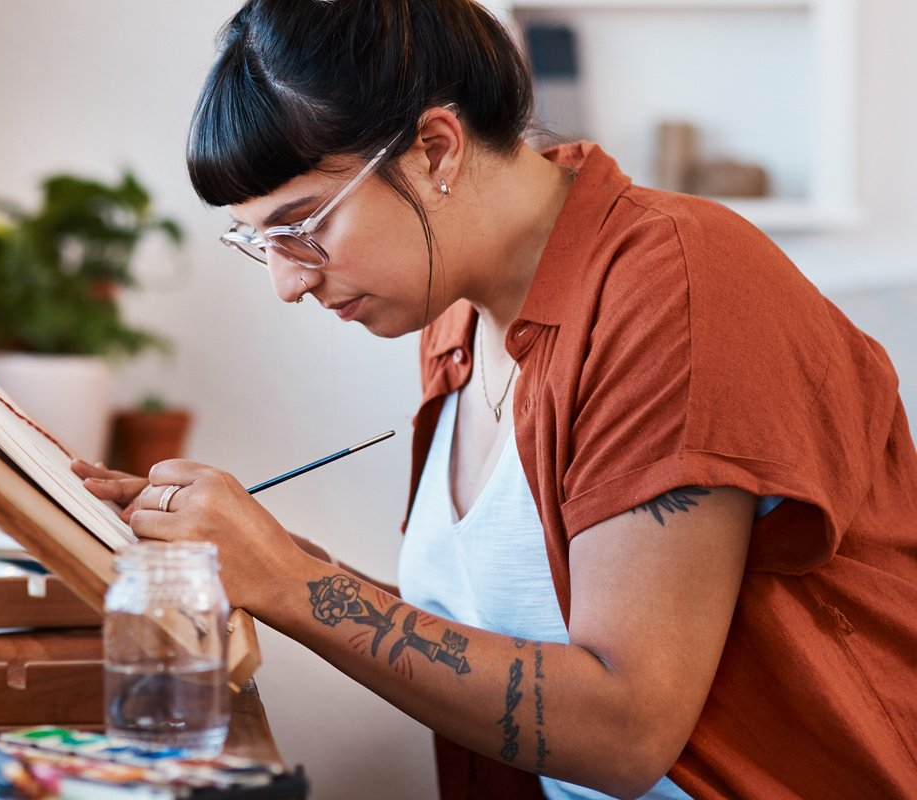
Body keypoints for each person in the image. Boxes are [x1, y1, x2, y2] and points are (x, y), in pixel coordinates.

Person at [73, 1, 917, 797]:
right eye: (261, 244)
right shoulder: (455, 319)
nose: (288, 285)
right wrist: (262, 556)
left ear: (436, 148)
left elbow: (627, 729)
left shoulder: (677, 293)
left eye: (305, 227)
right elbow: (505, 645)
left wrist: (291, 584)